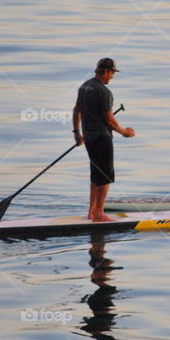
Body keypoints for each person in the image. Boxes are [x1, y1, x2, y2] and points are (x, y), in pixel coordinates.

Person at [72, 58, 135, 222]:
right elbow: (109, 119)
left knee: (95, 175)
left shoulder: (84, 86)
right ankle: (99, 214)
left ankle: (92, 212)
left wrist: (77, 133)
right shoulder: (104, 92)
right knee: (105, 176)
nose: (112, 77)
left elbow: (77, 110)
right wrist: (124, 132)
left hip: (89, 137)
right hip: (101, 138)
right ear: (106, 71)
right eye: (112, 73)